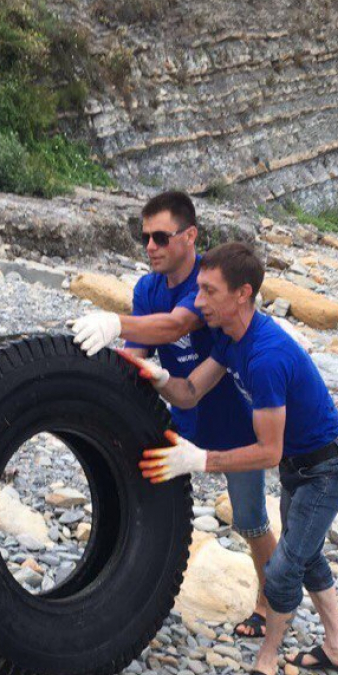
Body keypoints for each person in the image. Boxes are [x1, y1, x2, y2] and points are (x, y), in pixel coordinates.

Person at [124, 241, 338, 675]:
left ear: (243, 294)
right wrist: (156, 376)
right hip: (301, 465)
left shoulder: (266, 356)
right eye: (199, 290)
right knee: (308, 555)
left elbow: (267, 452)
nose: (198, 301)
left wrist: (201, 460)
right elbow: (189, 392)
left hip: (327, 469)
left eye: (209, 292)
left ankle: (267, 663)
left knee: (283, 568)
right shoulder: (231, 339)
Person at [70, 191, 276, 638]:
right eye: (144, 237)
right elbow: (137, 355)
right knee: (146, 498)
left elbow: (177, 326)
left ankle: (268, 603)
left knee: (250, 520)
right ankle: (129, 589)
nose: (150, 247)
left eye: (161, 237)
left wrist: (114, 322)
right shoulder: (147, 288)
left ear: (189, 236)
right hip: (180, 415)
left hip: (233, 425)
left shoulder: (209, 286)